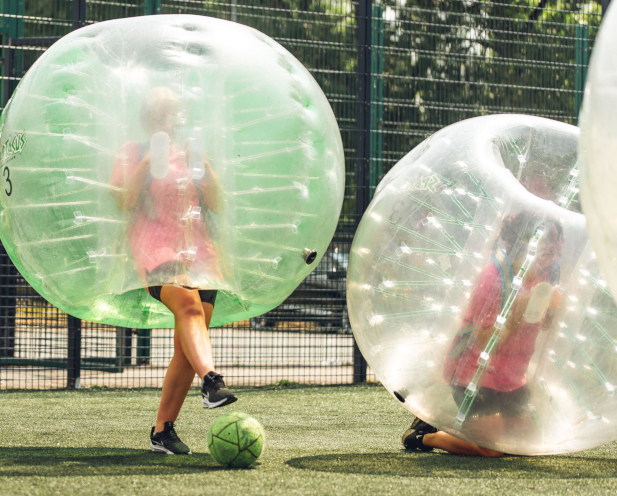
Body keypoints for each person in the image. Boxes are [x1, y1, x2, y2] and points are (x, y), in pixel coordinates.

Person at [111, 87, 236, 455]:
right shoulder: (133, 151)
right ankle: (212, 381)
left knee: (186, 346)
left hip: (199, 253)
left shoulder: (192, 154)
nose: (172, 122)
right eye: (163, 115)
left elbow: (216, 203)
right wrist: (149, 162)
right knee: (190, 309)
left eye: (176, 114)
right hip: (155, 248)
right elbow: (122, 201)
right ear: (149, 120)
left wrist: (204, 165)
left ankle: (162, 432)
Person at [402, 212, 564, 457]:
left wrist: (552, 311)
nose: (555, 245)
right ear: (525, 242)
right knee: (492, 449)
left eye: (557, 238)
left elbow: (542, 327)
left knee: (525, 443)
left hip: (512, 377)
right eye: (547, 238)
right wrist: (518, 308)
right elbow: (485, 342)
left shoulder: (547, 273)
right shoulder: (494, 277)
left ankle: (448, 424)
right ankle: (426, 436)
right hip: (475, 375)